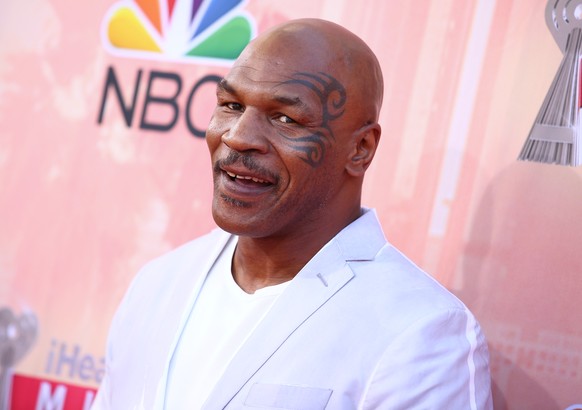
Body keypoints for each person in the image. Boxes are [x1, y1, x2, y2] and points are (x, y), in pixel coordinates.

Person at [92, 18, 492, 409]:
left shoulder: (421, 334)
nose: (237, 136)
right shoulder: (158, 284)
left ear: (361, 149)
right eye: (231, 105)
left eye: (285, 118)